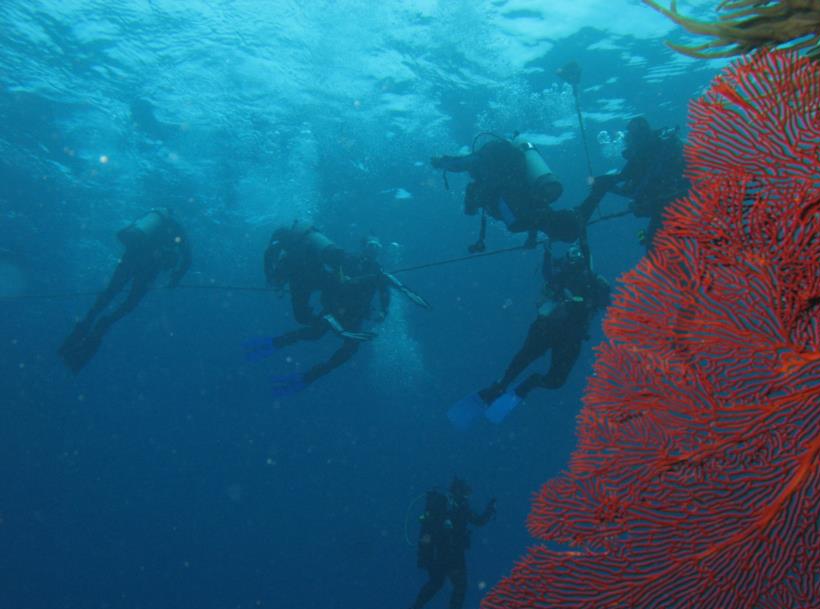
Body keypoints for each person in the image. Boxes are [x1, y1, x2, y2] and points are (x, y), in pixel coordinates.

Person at [448, 237, 610, 429]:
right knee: (525, 360)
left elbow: (604, 301)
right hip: (549, 328)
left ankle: (527, 383)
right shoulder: (561, 275)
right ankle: (500, 386)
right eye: (573, 255)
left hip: (570, 336)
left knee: (555, 379)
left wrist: (589, 291)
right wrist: (547, 253)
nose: (576, 259)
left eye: (580, 255)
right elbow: (548, 274)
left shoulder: (596, 282)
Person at [246, 234, 429, 395]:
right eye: (371, 246)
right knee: (314, 334)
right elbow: (332, 281)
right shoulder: (348, 260)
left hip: (355, 315)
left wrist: (384, 311)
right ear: (364, 247)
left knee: (350, 349)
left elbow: (384, 292)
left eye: (377, 247)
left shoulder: (379, 271)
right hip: (335, 310)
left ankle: (310, 376)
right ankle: (275, 343)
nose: (374, 250)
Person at [58, 208, 191, 373]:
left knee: (109, 293)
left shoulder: (152, 221)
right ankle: (104, 324)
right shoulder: (178, 230)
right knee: (130, 303)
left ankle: (86, 323)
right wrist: (174, 279)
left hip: (130, 261)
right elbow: (187, 258)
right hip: (148, 271)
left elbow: (125, 234)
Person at [385, 478, 496, 609]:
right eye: (465, 493)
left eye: (468, 495)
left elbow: (478, 521)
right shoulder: (442, 504)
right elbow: (429, 530)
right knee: (439, 584)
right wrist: (427, 554)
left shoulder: (462, 507)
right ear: (457, 491)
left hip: (453, 555)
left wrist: (490, 510)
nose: (466, 497)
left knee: (457, 586)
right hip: (440, 555)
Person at [431, 135, 610, 251]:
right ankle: (565, 227)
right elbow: (532, 214)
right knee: (534, 218)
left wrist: (441, 162)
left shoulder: (488, 162)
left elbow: (461, 163)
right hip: (544, 216)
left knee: (477, 205)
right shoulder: (512, 176)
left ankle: (565, 227)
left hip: (537, 214)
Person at [604, 116, 690, 247]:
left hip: (673, 206)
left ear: (638, 138)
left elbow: (632, 190)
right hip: (682, 202)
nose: (628, 143)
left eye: (631, 138)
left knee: (656, 248)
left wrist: (607, 186)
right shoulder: (658, 148)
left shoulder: (646, 156)